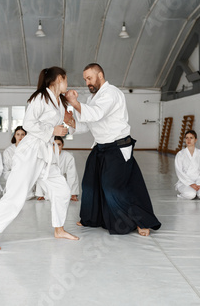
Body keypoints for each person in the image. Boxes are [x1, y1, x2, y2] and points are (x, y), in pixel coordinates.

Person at [0, 66, 79, 250]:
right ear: (59, 78)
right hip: (31, 152)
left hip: (46, 153)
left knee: (62, 191)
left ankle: (59, 229)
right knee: (16, 194)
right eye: (66, 79)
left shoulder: (59, 101)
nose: (68, 83)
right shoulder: (40, 98)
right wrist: (53, 130)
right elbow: (27, 124)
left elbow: (65, 125)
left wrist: (67, 118)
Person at [65, 63, 160, 235]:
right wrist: (71, 122)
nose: (87, 82)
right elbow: (87, 125)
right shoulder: (92, 99)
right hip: (100, 146)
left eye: (89, 78)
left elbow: (96, 114)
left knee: (113, 188)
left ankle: (140, 221)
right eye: (85, 79)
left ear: (100, 75)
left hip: (117, 146)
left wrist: (74, 103)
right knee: (89, 184)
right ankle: (91, 218)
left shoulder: (112, 93)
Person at [36, 136, 80, 201]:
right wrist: (40, 194)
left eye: (58, 144)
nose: (56, 147)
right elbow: (40, 174)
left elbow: (72, 175)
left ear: (62, 145)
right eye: (53, 145)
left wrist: (73, 193)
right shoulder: (45, 157)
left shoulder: (68, 157)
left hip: (62, 183)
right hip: (48, 183)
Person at [174, 130, 200, 200]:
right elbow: (179, 171)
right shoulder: (180, 154)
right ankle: (187, 193)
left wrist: (199, 183)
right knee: (191, 195)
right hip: (185, 182)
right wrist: (190, 183)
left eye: (191, 138)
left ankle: (197, 191)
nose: (189, 140)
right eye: (187, 138)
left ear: (195, 140)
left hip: (199, 182)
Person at [2, 126, 34, 200]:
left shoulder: (30, 150)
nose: (20, 137)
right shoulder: (8, 151)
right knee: (13, 196)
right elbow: (6, 170)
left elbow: (31, 168)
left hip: (25, 179)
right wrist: (16, 176)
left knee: (26, 197)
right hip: (13, 179)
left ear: (26, 136)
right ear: (14, 135)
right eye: (18, 134)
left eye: (23, 134)